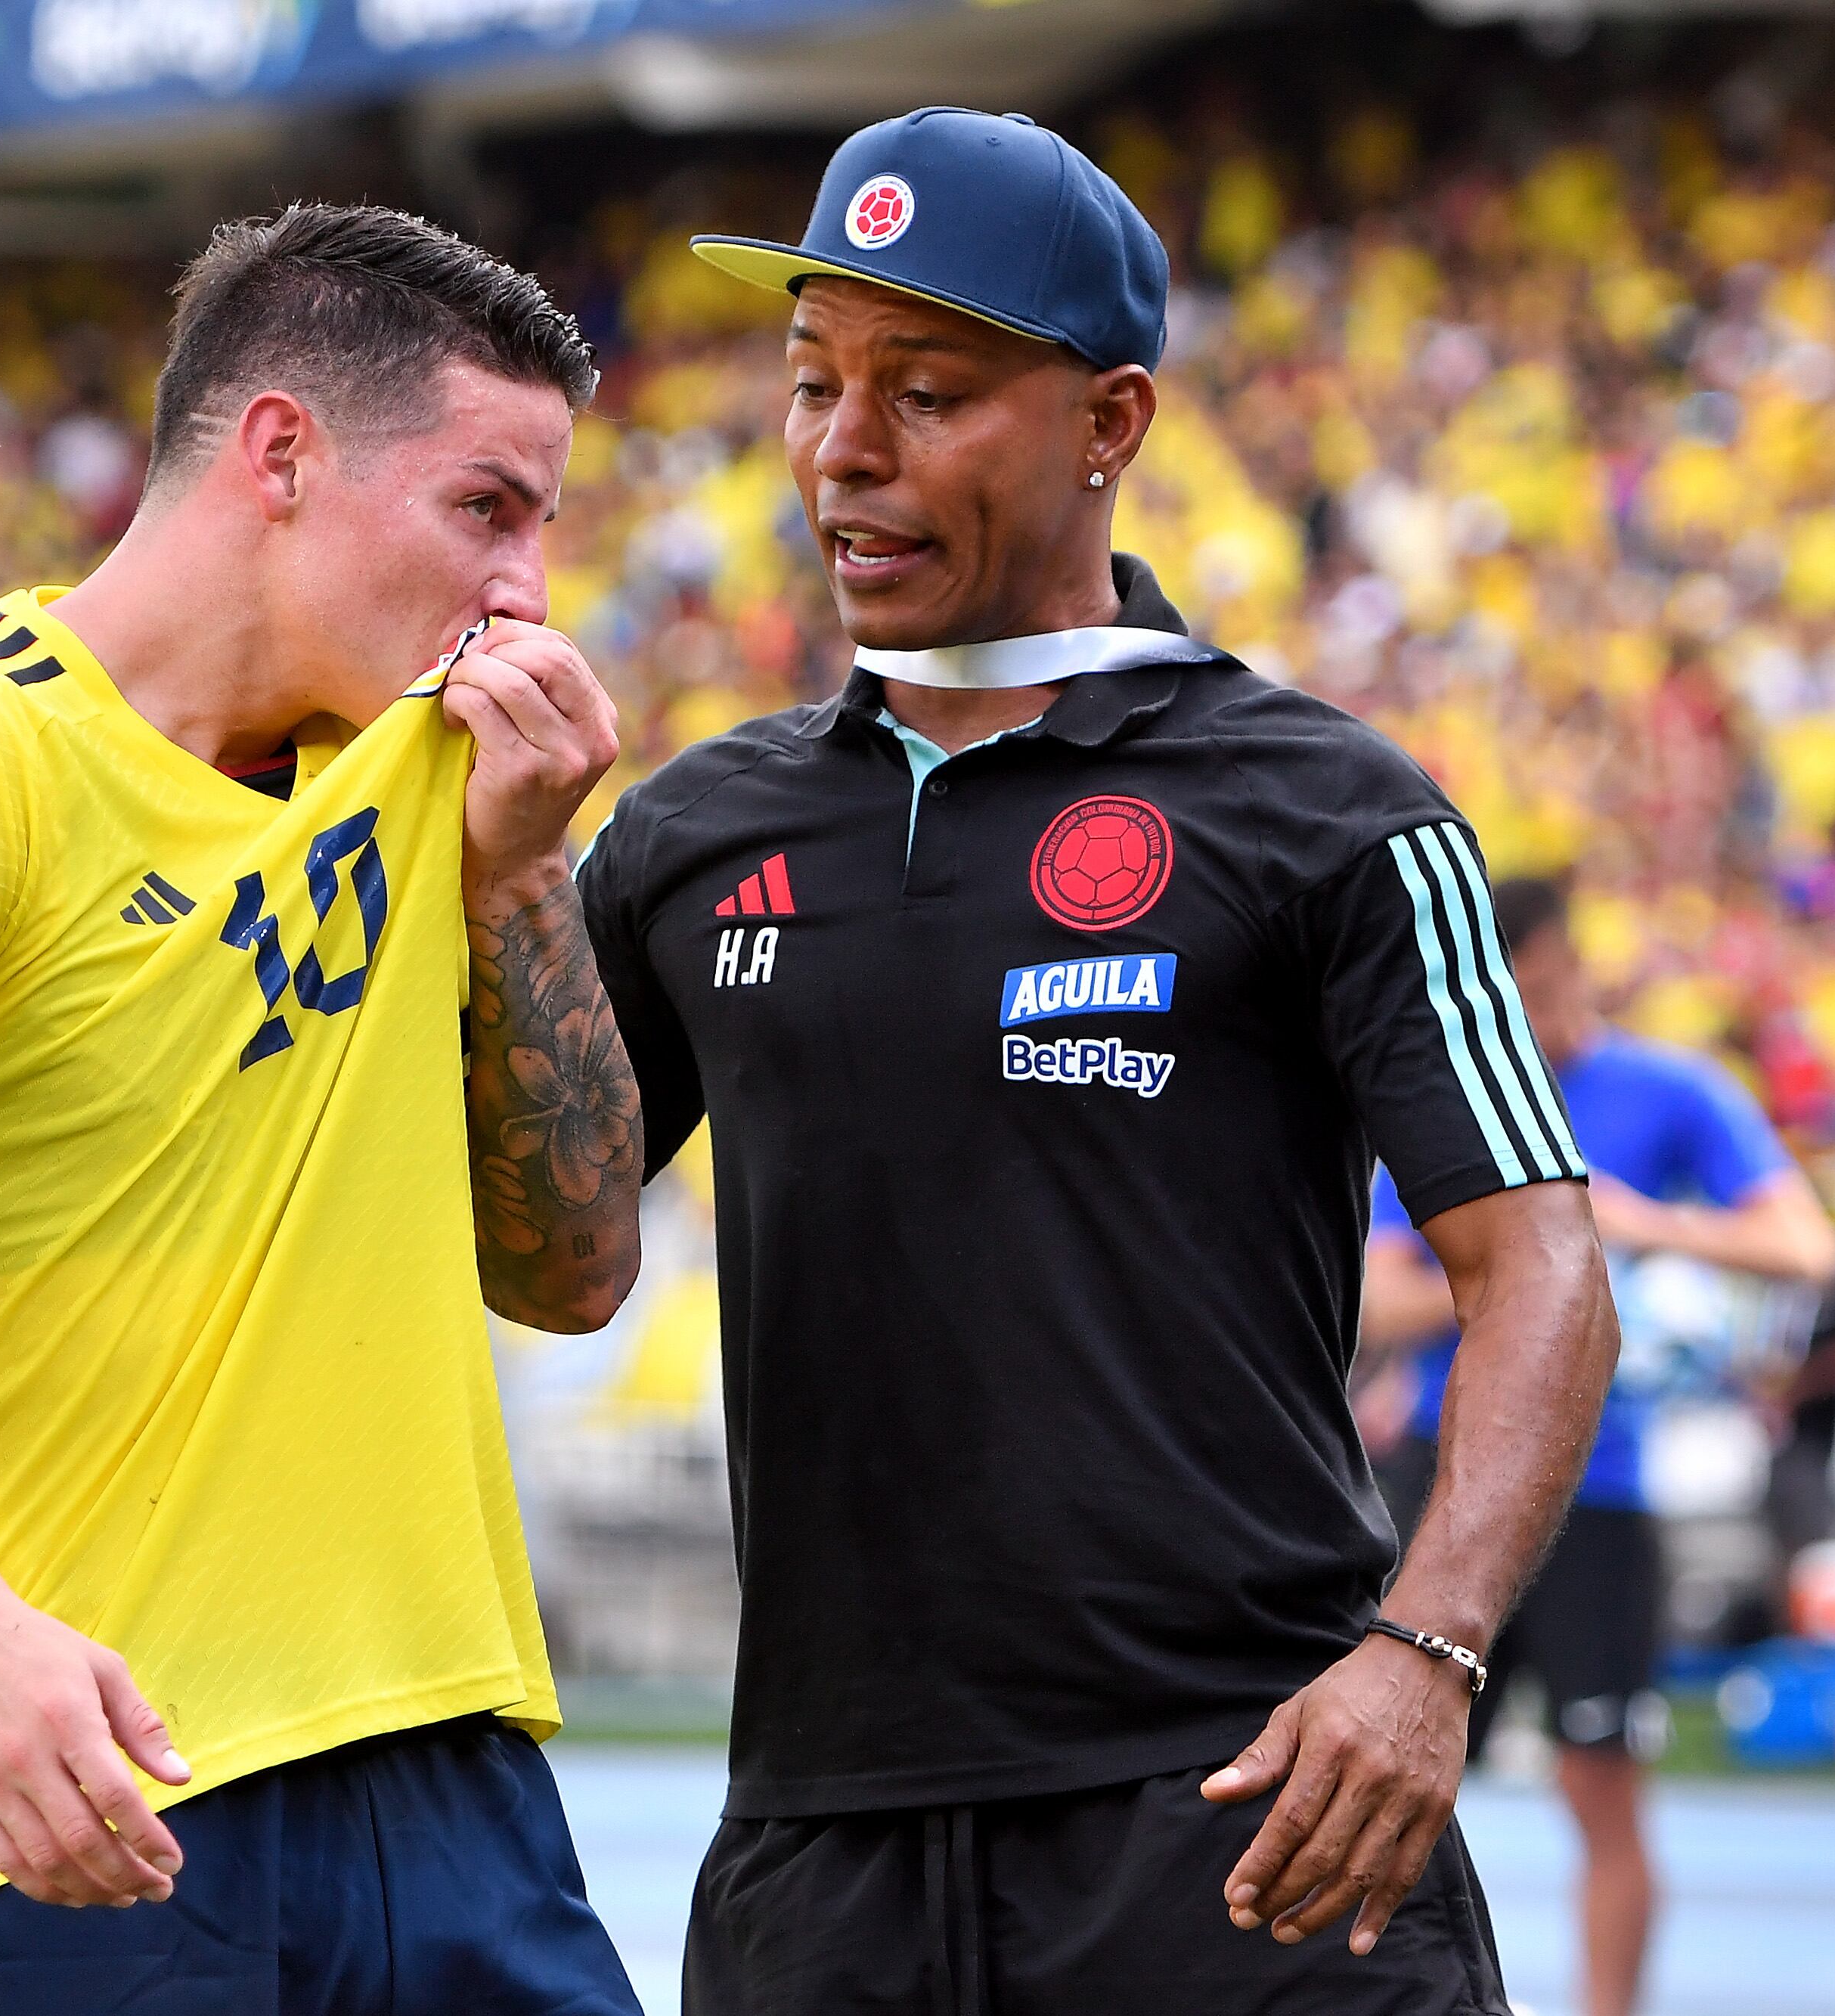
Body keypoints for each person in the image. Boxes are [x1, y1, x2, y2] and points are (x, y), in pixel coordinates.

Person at [578, 110, 1622, 2014]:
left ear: (1108, 422)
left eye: (929, 389)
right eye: (812, 384)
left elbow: (1538, 1259)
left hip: (1245, 1816)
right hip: (823, 1852)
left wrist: (1430, 1651)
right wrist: (494, 885)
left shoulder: (1331, 808)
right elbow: (539, 1257)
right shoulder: (683, 835)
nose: (843, 448)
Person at [0, 203, 649, 2015]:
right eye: (484, 508)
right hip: (100, 1786)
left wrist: (523, 879)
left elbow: (574, 1267)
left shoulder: (443, 756)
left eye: (542, 525)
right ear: (280, 452)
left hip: (461, 1788)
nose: (525, 590)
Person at [1365, 874, 1835, 2016]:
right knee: (1389, 1775)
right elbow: (1377, 1303)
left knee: (1603, 1784)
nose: (1521, 1011)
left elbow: (1806, 1246)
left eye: (1532, 983)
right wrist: (1533, 1262)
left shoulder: (1669, 1089)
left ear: (1563, 963)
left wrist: (1641, 1223)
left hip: (1601, 1482)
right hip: (1444, 1470)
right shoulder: (1446, 1091)